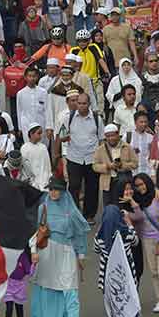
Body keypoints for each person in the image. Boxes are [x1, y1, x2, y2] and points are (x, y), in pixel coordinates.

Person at [30, 177, 90, 317]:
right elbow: (37, 231)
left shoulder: (71, 210)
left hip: (67, 251)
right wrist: (33, 251)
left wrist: (81, 254)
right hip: (47, 252)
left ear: (63, 191)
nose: (53, 192)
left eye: (56, 189)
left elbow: (80, 232)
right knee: (50, 289)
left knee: (70, 288)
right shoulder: (43, 208)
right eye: (51, 189)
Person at [94, 204, 142, 317]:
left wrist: (101, 227)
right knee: (133, 310)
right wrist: (128, 222)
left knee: (115, 313)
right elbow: (136, 241)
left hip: (108, 284)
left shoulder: (100, 238)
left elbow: (96, 249)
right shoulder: (126, 234)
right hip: (127, 281)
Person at [126, 173, 159, 316]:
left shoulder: (158, 198)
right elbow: (138, 217)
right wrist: (132, 203)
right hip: (146, 239)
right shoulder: (137, 199)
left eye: (142, 184)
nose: (140, 187)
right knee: (153, 272)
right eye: (137, 185)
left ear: (147, 182)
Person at [60, 93, 104, 224]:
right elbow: (61, 137)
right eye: (79, 103)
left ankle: (89, 215)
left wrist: (101, 158)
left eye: (84, 103)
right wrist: (63, 140)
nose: (81, 106)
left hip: (92, 159)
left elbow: (101, 139)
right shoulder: (68, 118)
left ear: (89, 104)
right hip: (74, 158)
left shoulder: (96, 118)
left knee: (92, 188)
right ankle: (75, 215)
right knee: (74, 187)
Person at [93, 124, 136, 206]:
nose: (111, 138)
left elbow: (135, 163)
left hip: (123, 182)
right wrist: (108, 166)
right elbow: (95, 166)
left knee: (122, 205)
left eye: (112, 135)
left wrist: (122, 165)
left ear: (117, 134)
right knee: (108, 206)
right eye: (108, 136)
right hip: (107, 182)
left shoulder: (127, 147)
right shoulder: (100, 149)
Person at [2, 248, 34, 317]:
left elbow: (29, 272)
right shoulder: (8, 254)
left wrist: (34, 263)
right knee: (9, 308)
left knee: (19, 308)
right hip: (8, 285)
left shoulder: (23, 256)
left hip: (20, 286)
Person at [15, 66, 48, 143]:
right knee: (28, 145)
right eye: (29, 76)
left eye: (34, 76)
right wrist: (20, 128)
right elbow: (19, 111)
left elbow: (47, 110)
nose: (32, 78)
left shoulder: (43, 92)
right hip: (26, 124)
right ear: (25, 77)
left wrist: (48, 126)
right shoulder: (20, 93)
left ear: (37, 77)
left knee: (41, 146)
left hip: (41, 123)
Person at [19, 124, 52, 191]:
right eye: (39, 133)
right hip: (32, 183)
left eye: (41, 133)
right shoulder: (24, 148)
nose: (41, 135)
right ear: (31, 134)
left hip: (45, 181)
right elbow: (24, 168)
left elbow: (47, 165)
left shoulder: (43, 147)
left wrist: (49, 178)